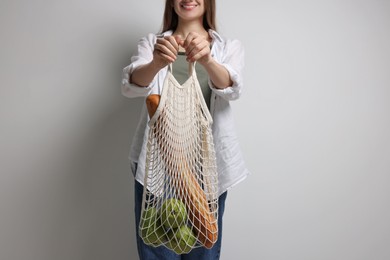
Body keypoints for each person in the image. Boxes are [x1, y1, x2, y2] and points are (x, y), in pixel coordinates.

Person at [121, 0, 249, 259]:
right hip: (161, 164)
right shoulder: (154, 44)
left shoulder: (227, 48)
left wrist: (207, 60)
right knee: (158, 250)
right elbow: (132, 84)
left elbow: (231, 88)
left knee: (204, 251)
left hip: (207, 168)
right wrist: (156, 62)